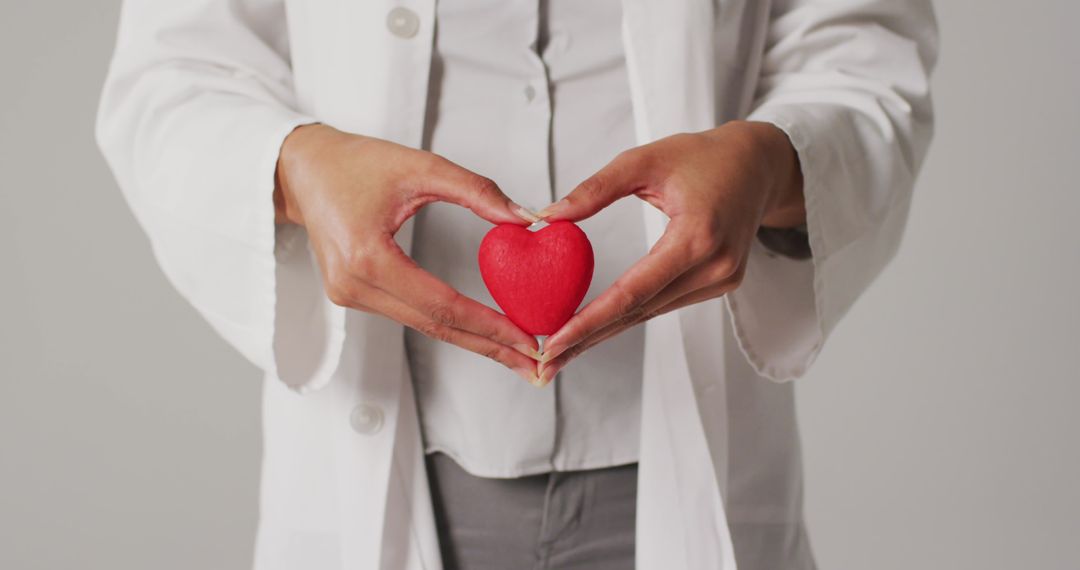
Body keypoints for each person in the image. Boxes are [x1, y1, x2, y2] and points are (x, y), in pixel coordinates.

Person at [95, 0, 937, 568]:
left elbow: (859, 56)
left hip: (690, 462)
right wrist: (295, 167)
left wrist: (771, 160)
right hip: (385, 459)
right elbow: (171, 77)